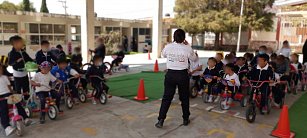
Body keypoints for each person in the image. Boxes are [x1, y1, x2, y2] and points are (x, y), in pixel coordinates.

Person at [155, 29, 196, 128]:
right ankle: (185, 119)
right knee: (184, 97)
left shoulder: (168, 46)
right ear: (184, 38)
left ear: (174, 36)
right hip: (182, 75)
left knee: (167, 98)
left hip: (171, 74)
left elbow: (163, 54)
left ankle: (161, 120)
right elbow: (194, 59)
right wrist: (188, 46)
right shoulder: (187, 48)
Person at [0, 65, 32, 136]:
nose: (0, 71)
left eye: (1, 69)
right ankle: (7, 127)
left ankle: (25, 118)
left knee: (18, 103)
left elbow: (9, 88)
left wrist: (14, 93)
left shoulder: (4, 77)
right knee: (3, 109)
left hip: (8, 94)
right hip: (1, 97)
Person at [8, 35, 33, 100]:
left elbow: (29, 59)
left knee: (26, 88)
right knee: (18, 90)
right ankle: (18, 103)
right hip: (17, 75)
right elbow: (10, 63)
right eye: (20, 42)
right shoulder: (11, 53)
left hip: (25, 73)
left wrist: (34, 63)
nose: (22, 43)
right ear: (15, 44)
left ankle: (27, 101)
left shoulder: (23, 51)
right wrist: (16, 61)